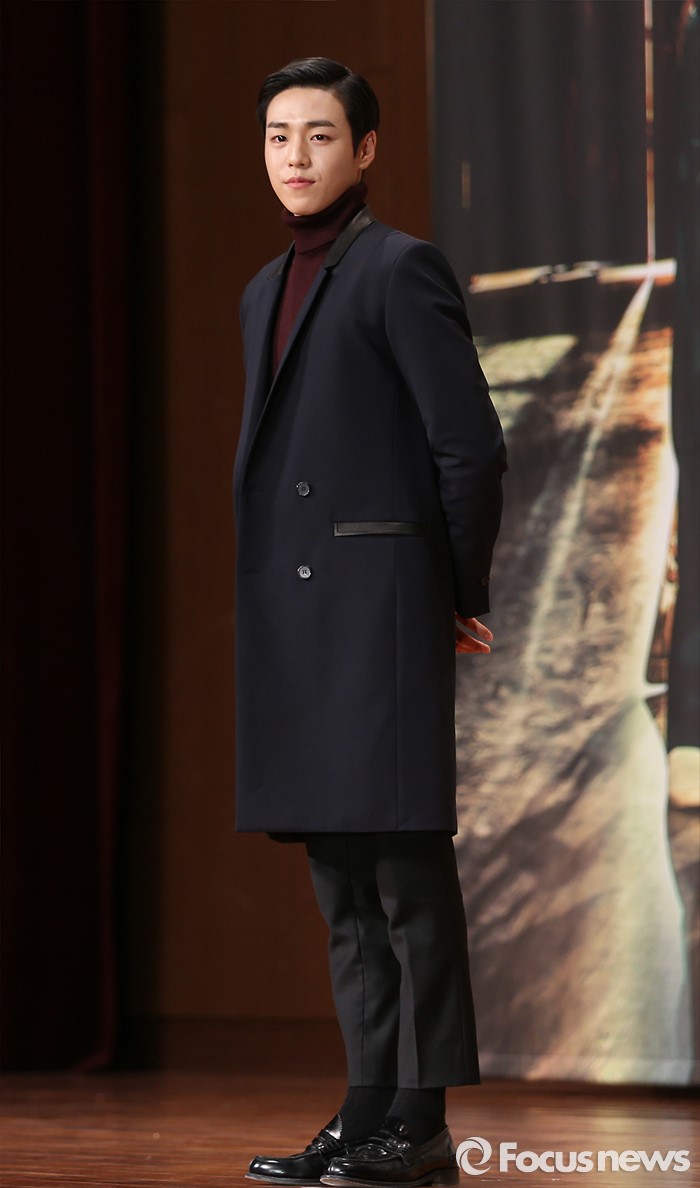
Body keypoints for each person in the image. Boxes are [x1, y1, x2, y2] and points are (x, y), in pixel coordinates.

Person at [233, 57, 506, 1188]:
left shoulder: (400, 268)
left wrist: (456, 590)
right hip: (301, 621)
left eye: (320, 135)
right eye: (278, 135)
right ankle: (364, 1112)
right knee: (341, 880)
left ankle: (421, 1122)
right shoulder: (263, 288)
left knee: (404, 871)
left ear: (366, 150)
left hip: (380, 610)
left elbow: (469, 446)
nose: (296, 156)